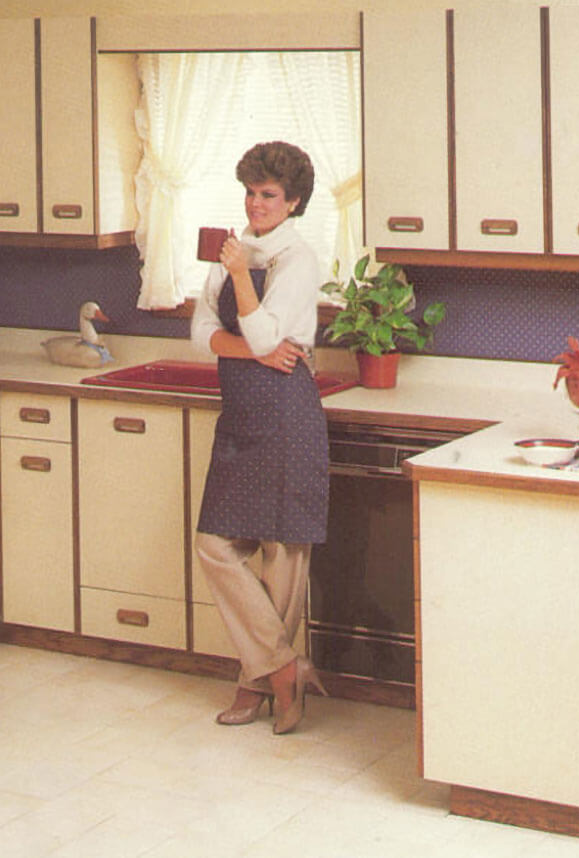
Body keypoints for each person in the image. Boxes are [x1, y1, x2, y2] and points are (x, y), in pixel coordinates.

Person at [190, 141, 329, 735]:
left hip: (287, 410)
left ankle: (255, 683)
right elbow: (202, 333)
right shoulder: (233, 253)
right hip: (242, 410)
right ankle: (281, 668)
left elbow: (266, 327)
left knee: (284, 557)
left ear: (293, 201)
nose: (255, 204)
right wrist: (253, 347)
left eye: (268, 195)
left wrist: (243, 286)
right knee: (216, 546)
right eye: (250, 192)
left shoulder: (299, 261)